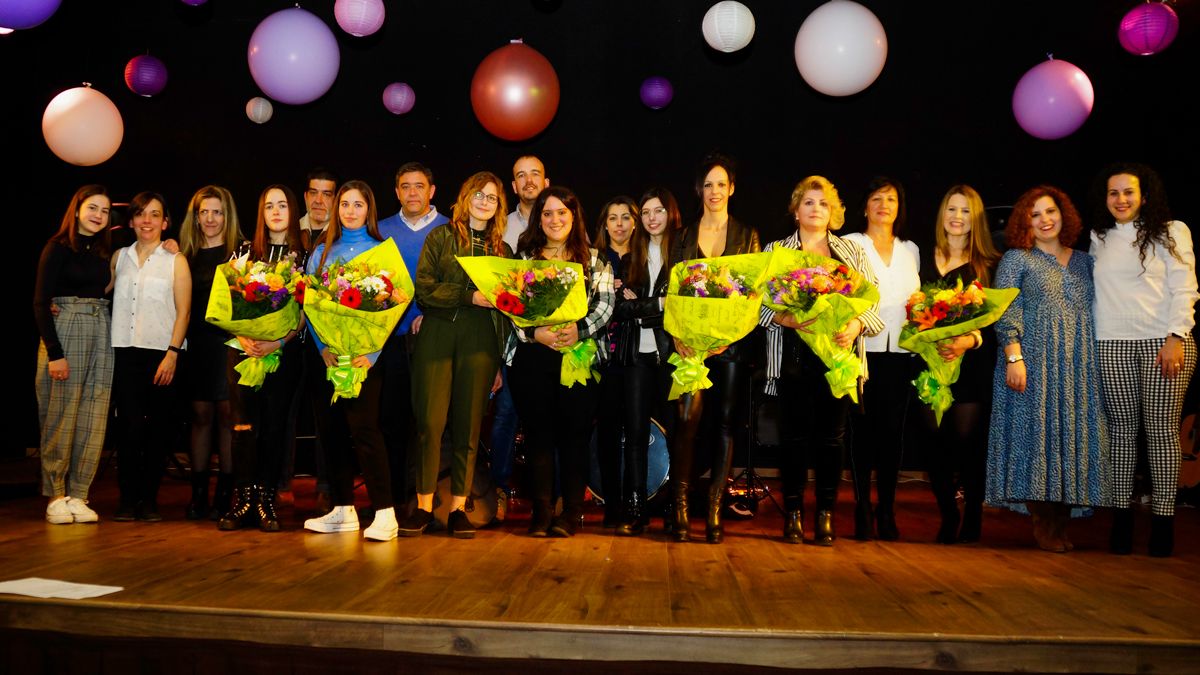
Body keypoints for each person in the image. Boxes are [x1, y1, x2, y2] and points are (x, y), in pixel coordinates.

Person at [761, 175, 883, 545]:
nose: (816, 209)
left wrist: (856, 324)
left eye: (823, 204)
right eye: (809, 203)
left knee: (833, 439)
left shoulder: (853, 252)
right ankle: (794, 515)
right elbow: (755, 307)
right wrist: (786, 318)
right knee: (793, 439)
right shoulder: (775, 251)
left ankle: (826, 515)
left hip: (838, 358)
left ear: (834, 213)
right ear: (796, 211)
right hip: (793, 357)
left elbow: (872, 301)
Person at [986, 185, 1109, 553]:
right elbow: (1006, 309)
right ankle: (1043, 523)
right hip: (1032, 362)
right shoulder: (1017, 259)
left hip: (1079, 367)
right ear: (1026, 222)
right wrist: (1013, 355)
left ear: (1064, 215)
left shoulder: (1087, 261)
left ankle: (1060, 521)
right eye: (1035, 214)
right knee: (1036, 439)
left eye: (1050, 211)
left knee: (1071, 443)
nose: (1044, 220)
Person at [1091, 163, 1198, 557]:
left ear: (1144, 196)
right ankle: (1121, 523)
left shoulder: (1172, 231)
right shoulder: (1097, 238)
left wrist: (1176, 336)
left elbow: (1185, 287)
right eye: (1113, 193)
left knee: (1162, 433)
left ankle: (1163, 525)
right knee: (1120, 433)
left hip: (1163, 343)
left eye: (1128, 192)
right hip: (1112, 343)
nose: (1120, 200)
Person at [400, 172, 511, 538]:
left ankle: (461, 507)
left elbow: (507, 312)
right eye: (478, 194)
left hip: (481, 342)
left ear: (499, 207)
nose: (484, 202)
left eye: (492, 198)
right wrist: (468, 297)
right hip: (438, 334)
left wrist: (497, 361)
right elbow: (424, 291)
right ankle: (423, 506)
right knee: (430, 424)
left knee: (468, 427)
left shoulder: (502, 251)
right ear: (465, 197)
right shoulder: (442, 236)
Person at [508, 186, 615, 537]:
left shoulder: (595, 259)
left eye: (562, 213)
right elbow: (511, 304)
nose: (555, 220)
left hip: (578, 358)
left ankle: (569, 514)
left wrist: (580, 330)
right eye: (548, 213)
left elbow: (605, 304)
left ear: (574, 217)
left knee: (574, 437)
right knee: (538, 436)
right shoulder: (525, 259)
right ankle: (540, 512)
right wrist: (533, 332)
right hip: (534, 358)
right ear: (540, 219)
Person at [668, 153, 760, 544]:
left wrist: (729, 336)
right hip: (690, 346)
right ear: (699, 190)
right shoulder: (683, 236)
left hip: (732, 347)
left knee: (724, 424)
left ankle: (717, 509)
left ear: (732, 188)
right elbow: (672, 292)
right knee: (687, 420)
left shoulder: (748, 235)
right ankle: (681, 506)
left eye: (721, 184)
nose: (715, 191)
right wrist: (678, 337)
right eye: (708, 184)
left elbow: (752, 295)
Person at [302, 181, 398, 541]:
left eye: (358, 205)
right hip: (328, 358)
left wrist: (369, 355)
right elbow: (310, 306)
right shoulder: (322, 253)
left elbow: (392, 307)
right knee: (331, 432)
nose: (350, 211)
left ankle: (385, 512)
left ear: (368, 210)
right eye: (345, 204)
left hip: (363, 360)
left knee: (366, 432)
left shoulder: (381, 252)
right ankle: (343, 510)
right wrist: (323, 348)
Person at [218, 185, 307, 532]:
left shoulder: (307, 255)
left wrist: (277, 343)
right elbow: (227, 302)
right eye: (269, 205)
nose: (275, 211)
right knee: (242, 426)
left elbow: (304, 310)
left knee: (274, 428)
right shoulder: (242, 252)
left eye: (282, 204)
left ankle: (267, 500)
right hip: (242, 353)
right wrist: (243, 335)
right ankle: (243, 500)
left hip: (282, 354)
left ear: (292, 209)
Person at [918, 186, 1001, 544]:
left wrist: (969, 339)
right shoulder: (920, 256)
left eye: (966, 211)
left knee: (967, 443)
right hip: (928, 365)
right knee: (933, 441)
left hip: (971, 364)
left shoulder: (990, 262)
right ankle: (948, 514)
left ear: (976, 218)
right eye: (951, 209)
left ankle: (973, 517)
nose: (957, 217)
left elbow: (997, 319)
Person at [597, 189, 680, 535]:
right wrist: (659, 305)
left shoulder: (682, 252)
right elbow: (621, 307)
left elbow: (681, 304)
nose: (651, 217)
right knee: (632, 432)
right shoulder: (631, 257)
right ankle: (635, 509)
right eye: (645, 212)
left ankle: (677, 508)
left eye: (656, 210)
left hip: (675, 353)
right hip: (631, 355)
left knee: (678, 431)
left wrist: (649, 305)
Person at [843, 177, 920, 541]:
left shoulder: (911, 250)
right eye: (876, 198)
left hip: (901, 354)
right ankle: (861, 508)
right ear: (865, 206)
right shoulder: (850, 244)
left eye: (891, 199)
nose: (884, 205)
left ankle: (886, 509)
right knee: (862, 434)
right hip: (862, 353)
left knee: (893, 435)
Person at [34, 185, 114, 524]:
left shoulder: (102, 251)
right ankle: (56, 495)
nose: (98, 215)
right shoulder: (57, 248)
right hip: (66, 331)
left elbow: (107, 287)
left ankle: (80, 494)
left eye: (105, 211)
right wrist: (55, 353)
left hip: (101, 329)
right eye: (92, 207)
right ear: (77, 209)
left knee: (94, 415)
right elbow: (40, 302)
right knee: (60, 415)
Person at [110, 192, 192, 521]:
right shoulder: (118, 258)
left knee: (158, 430)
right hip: (125, 352)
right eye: (141, 214)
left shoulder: (176, 260)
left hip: (162, 353)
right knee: (127, 429)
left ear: (165, 222)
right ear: (130, 221)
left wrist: (172, 353)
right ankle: (128, 499)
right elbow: (98, 290)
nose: (147, 221)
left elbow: (184, 312)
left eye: (154, 215)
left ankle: (149, 500)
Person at [377, 162, 450, 522]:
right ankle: (392, 501)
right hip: (390, 341)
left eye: (419, 186)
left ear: (432, 190)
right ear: (396, 191)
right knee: (393, 422)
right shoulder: (381, 230)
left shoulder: (450, 229)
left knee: (431, 424)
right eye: (405, 186)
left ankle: (428, 500)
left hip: (433, 340)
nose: (412, 193)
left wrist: (431, 315)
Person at [179, 186, 244, 521]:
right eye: (204, 212)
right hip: (198, 345)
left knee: (227, 419)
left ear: (227, 216)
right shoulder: (184, 255)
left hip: (229, 345)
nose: (210, 219)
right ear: (196, 216)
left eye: (217, 212)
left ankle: (225, 496)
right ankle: (198, 494)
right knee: (201, 417)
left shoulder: (241, 254)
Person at [491, 155, 550, 521]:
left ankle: (553, 495)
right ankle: (497, 488)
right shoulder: (502, 229)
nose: (528, 181)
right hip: (511, 342)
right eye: (520, 176)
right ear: (513, 186)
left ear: (546, 181)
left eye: (535, 175)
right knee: (506, 415)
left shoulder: (564, 220)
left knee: (548, 419)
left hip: (553, 344)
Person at [593, 195, 638, 527]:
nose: (619, 224)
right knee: (607, 430)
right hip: (602, 357)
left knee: (636, 431)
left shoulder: (646, 258)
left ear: (635, 222)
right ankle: (611, 502)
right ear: (604, 224)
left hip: (638, 356)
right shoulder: (594, 259)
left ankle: (637, 499)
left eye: (625, 217)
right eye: (613, 218)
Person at [300, 168, 338, 252]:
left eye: (326, 194)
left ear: (336, 200)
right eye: (313, 193)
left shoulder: (342, 235)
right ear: (305, 197)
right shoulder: (291, 230)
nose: (318, 201)